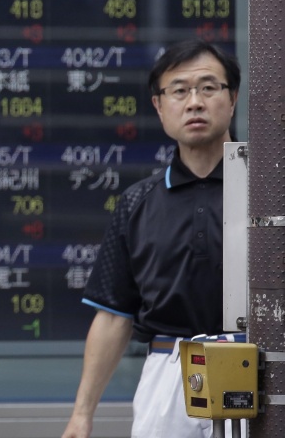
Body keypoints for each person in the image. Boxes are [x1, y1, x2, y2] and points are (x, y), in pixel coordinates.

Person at [61, 39, 240, 438]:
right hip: (170, 370)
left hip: (261, 365)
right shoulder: (137, 202)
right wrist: (82, 413)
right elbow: (112, 316)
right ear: (159, 107)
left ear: (233, 98)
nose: (194, 102)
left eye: (209, 87)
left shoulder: (269, 191)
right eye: (179, 90)